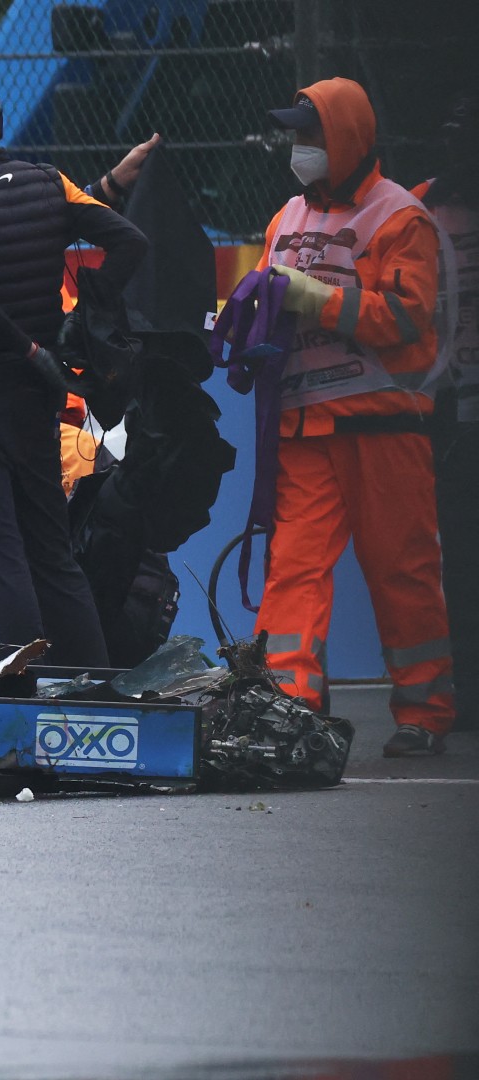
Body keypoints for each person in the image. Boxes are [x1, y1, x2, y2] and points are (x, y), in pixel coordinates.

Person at [0, 74, 147, 666]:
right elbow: (130, 241)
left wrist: (25, 349)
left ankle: (18, 695)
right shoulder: (49, 182)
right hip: (37, 398)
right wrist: (75, 324)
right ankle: (93, 684)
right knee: (51, 550)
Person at [253, 78, 453, 755]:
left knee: (403, 572)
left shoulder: (401, 218)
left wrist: (314, 298)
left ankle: (423, 715)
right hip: (307, 429)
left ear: (345, 140)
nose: (298, 148)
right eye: (295, 136)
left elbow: (407, 316)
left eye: (309, 136)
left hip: (383, 428)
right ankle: (289, 707)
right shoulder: (285, 218)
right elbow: (262, 294)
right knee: (294, 569)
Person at [416, 98, 477, 734]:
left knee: (456, 548)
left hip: (448, 397)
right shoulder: (419, 206)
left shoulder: (422, 204)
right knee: (454, 548)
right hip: (449, 399)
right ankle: (462, 679)